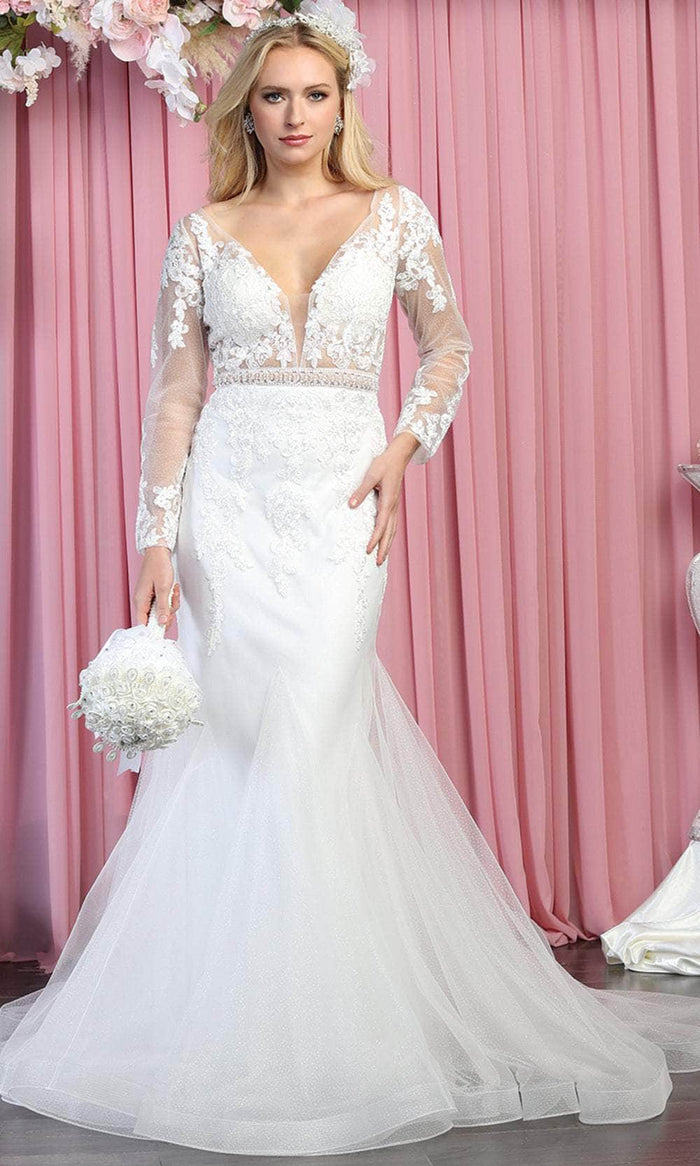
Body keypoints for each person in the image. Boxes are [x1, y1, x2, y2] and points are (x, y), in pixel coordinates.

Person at [1, 1, 700, 1157]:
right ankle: (235, 1018)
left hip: (339, 506)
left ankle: (333, 1025)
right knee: (241, 751)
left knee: (313, 734)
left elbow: (449, 341)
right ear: (245, 109)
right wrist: (156, 536)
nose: (294, 115)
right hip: (228, 509)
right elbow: (175, 392)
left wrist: (404, 445)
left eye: (314, 95)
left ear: (342, 105)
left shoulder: (395, 214)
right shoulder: (202, 230)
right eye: (273, 95)